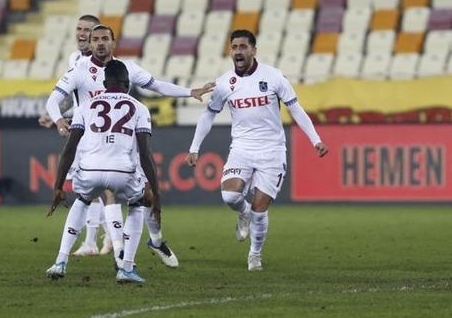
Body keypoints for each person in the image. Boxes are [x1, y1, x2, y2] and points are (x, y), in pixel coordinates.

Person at [45, 24, 214, 268]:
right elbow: (54, 100)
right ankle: (121, 254)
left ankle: (154, 240)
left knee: (145, 196)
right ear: (90, 44)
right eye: (96, 39)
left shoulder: (127, 68)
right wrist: (60, 120)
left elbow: (156, 85)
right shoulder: (79, 70)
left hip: (126, 144)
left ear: (113, 43)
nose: (100, 43)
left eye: (105, 38)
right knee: (107, 192)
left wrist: (189, 92)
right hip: (92, 146)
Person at [186, 30, 328, 271]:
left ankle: (255, 254)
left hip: (272, 150)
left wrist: (315, 140)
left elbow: (296, 109)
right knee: (230, 196)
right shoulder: (224, 83)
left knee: (260, 209)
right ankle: (243, 213)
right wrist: (194, 147)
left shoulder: (274, 77)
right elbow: (209, 114)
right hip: (241, 147)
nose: (238, 51)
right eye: (234, 47)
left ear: (253, 50)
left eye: (243, 46)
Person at [46, 60, 160, 283]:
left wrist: (58, 186)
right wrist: (156, 194)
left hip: (90, 170)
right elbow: (145, 155)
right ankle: (126, 267)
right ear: (127, 83)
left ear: (105, 83)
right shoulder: (139, 108)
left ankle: (60, 261)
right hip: (122, 173)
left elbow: (69, 148)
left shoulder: (84, 107)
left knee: (83, 199)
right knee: (137, 205)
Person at [38, 15, 113, 255]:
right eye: (79, 29)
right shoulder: (75, 59)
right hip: (82, 131)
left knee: (100, 187)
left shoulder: (108, 65)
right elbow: (78, 96)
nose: (81, 34)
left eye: (87, 31)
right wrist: (58, 114)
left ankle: (115, 237)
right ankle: (95, 241)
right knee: (88, 189)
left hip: (103, 133)